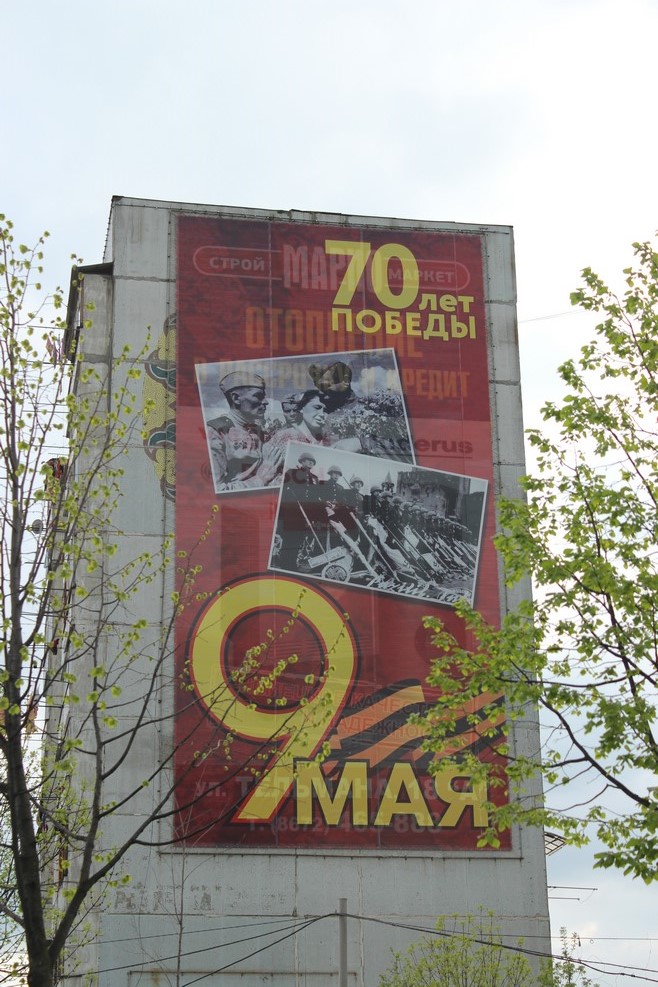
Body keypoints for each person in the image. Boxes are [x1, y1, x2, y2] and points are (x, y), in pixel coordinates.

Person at [206, 370, 281, 492]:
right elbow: (216, 490)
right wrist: (260, 480)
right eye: (258, 396)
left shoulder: (257, 430)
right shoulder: (216, 432)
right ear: (236, 398)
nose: (266, 402)